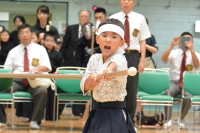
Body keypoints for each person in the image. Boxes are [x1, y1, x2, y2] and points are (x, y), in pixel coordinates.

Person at [81, 18, 135, 133]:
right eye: (104, 36)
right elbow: (84, 87)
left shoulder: (120, 58)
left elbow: (113, 65)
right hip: (96, 111)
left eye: (114, 37)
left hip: (114, 113)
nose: (108, 40)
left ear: (122, 42)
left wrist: (109, 71)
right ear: (97, 39)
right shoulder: (94, 59)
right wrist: (90, 80)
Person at [0, 24, 51, 129]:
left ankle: (35, 121)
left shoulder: (40, 49)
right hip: (17, 81)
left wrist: (35, 70)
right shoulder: (13, 51)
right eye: (22, 33)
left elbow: (46, 66)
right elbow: (6, 69)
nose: (25, 35)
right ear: (18, 36)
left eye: (27, 33)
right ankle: (2, 120)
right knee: (2, 89)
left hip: (35, 80)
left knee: (42, 91)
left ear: (31, 34)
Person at [109, 0, 151, 126]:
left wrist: (142, 60)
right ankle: (114, 119)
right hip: (117, 55)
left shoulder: (140, 18)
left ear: (133, 3)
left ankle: (129, 121)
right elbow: (108, 39)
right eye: (124, 0)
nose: (126, 2)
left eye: (129, 0)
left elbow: (142, 41)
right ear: (120, 2)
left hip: (133, 55)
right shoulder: (113, 18)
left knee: (131, 89)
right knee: (115, 87)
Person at [161, 32, 200, 127]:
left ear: (192, 42)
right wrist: (171, 45)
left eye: (188, 40)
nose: (185, 42)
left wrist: (191, 50)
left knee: (189, 96)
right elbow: (163, 59)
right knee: (167, 92)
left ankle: (181, 118)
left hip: (188, 84)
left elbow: (197, 65)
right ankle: (168, 119)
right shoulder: (174, 52)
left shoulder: (196, 54)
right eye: (183, 40)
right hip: (174, 82)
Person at [136, 18, 158, 117]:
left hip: (148, 62)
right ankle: (135, 111)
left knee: (146, 88)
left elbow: (155, 50)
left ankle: (140, 112)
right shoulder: (134, 36)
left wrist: (144, 45)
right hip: (135, 60)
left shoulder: (151, 37)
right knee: (135, 88)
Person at [43, 33, 64, 120]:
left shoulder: (57, 54)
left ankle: (53, 115)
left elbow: (60, 68)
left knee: (53, 95)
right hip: (43, 77)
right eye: (47, 41)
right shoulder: (41, 52)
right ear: (43, 41)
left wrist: (57, 72)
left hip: (54, 78)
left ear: (55, 42)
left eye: (51, 41)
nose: (49, 43)